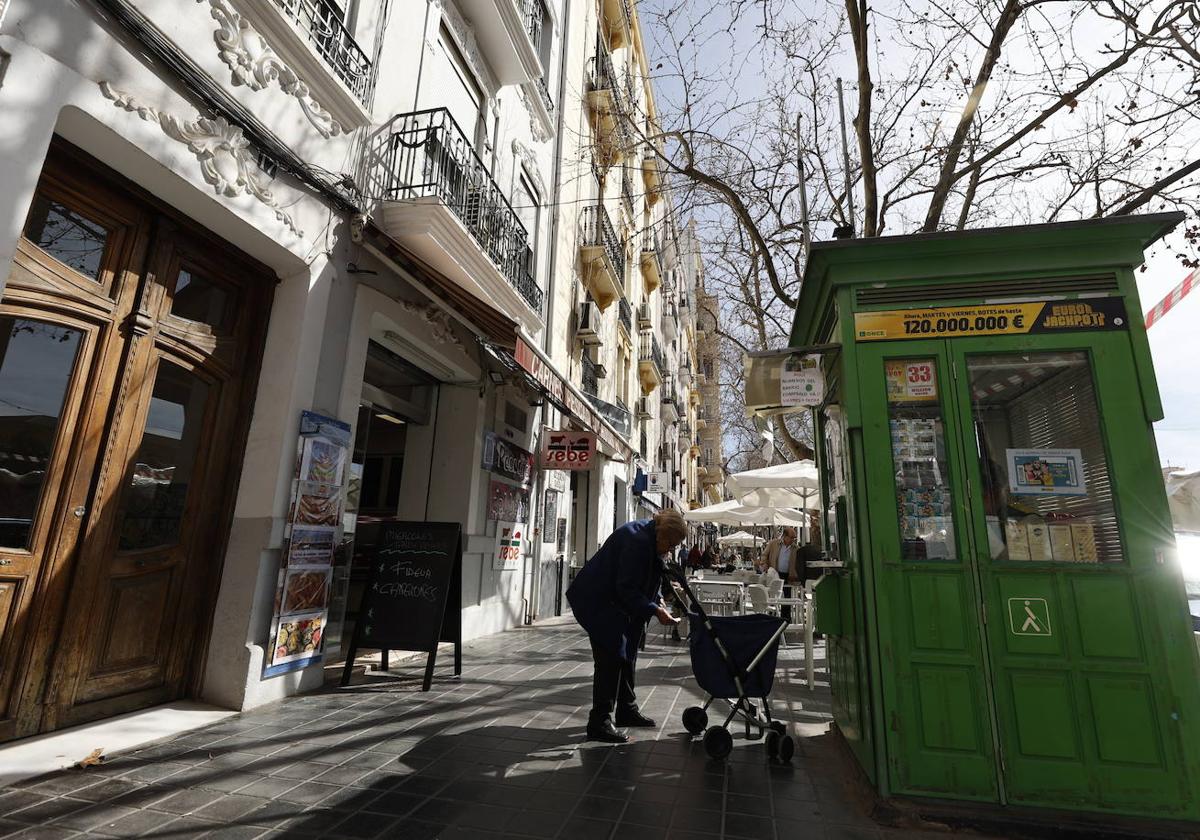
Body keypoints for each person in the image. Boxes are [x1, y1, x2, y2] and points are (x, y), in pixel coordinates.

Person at [566, 509, 687, 743]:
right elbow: (626, 587)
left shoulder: (651, 537)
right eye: (670, 544)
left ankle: (626, 709)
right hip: (598, 601)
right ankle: (599, 721)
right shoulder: (637, 541)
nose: (670, 549)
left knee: (628, 653)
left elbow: (649, 576)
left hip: (616, 604)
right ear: (662, 534)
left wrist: (658, 597)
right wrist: (654, 610)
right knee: (611, 657)